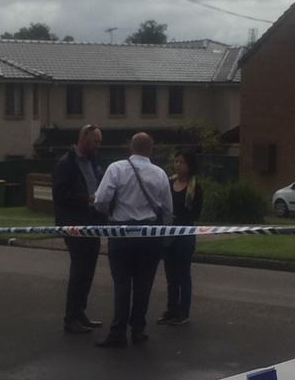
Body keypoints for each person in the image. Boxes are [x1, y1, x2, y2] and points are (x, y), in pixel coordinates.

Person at [93, 132, 173, 348]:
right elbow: (167, 210)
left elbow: (100, 200)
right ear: (151, 148)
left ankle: (117, 332)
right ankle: (138, 330)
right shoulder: (160, 174)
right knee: (143, 284)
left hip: (121, 233)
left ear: (131, 147)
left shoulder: (116, 168)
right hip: (149, 235)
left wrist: (111, 211)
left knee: (121, 284)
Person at [52, 124, 106, 334]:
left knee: (88, 271)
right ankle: (71, 318)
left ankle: (80, 313)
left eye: (99, 142)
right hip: (75, 225)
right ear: (83, 138)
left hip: (93, 224)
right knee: (79, 270)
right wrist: (87, 200)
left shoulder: (95, 162)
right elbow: (60, 196)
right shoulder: (66, 164)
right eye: (95, 141)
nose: (98, 146)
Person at [158, 149, 203, 326]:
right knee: (170, 276)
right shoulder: (168, 183)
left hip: (184, 235)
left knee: (183, 274)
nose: (177, 165)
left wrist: (181, 217)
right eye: (176, 161)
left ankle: (183, 312)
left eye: (181, 162)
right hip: (168, 234)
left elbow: (196, 213)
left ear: (189, 165)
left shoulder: (195, 187)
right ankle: (171, 309)